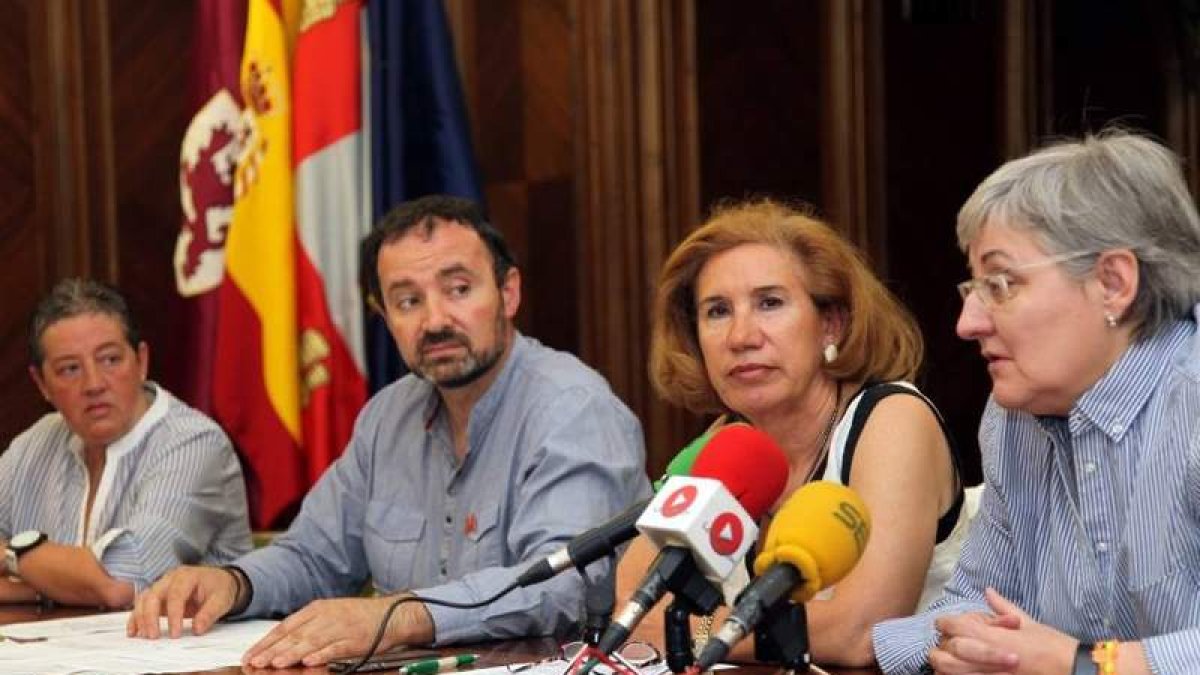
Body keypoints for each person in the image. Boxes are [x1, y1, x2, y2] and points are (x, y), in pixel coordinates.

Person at [128, 194, 651, 669]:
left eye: (459, 289)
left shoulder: (573, 409)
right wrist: (233, 582)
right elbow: (314, 555)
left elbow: (562, 588)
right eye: (407, 301)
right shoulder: (388, 417)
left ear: (508, 293)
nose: (436, 319)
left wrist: (396, 616)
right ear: (383, 315)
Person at [872, 131, 1200, 675]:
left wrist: (1090, 666)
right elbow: (976, 604)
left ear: (1113, 284)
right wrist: (958, 647)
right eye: (972, 288)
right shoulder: (1012, 417)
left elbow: (1066, 662)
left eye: (1001, 285)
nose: (967, 324)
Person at [620, 199, 969, 668]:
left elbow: (862, 631)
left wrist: (699, 630)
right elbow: (636, 605)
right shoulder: (730, 442)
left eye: (770, 303)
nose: (741, 336)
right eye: (717, 311)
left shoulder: (892, 419)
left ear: (831, 323)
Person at [0, 278, 252, 609]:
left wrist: (11, 557)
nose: (93, 384)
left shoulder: (193, 443)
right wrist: (52, 587)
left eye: (110, 360)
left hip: (185, 656)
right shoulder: (35, 443)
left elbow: (120, 582)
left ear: (141, 361)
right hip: (59, 654)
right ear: (41, 383)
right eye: (70, 369)